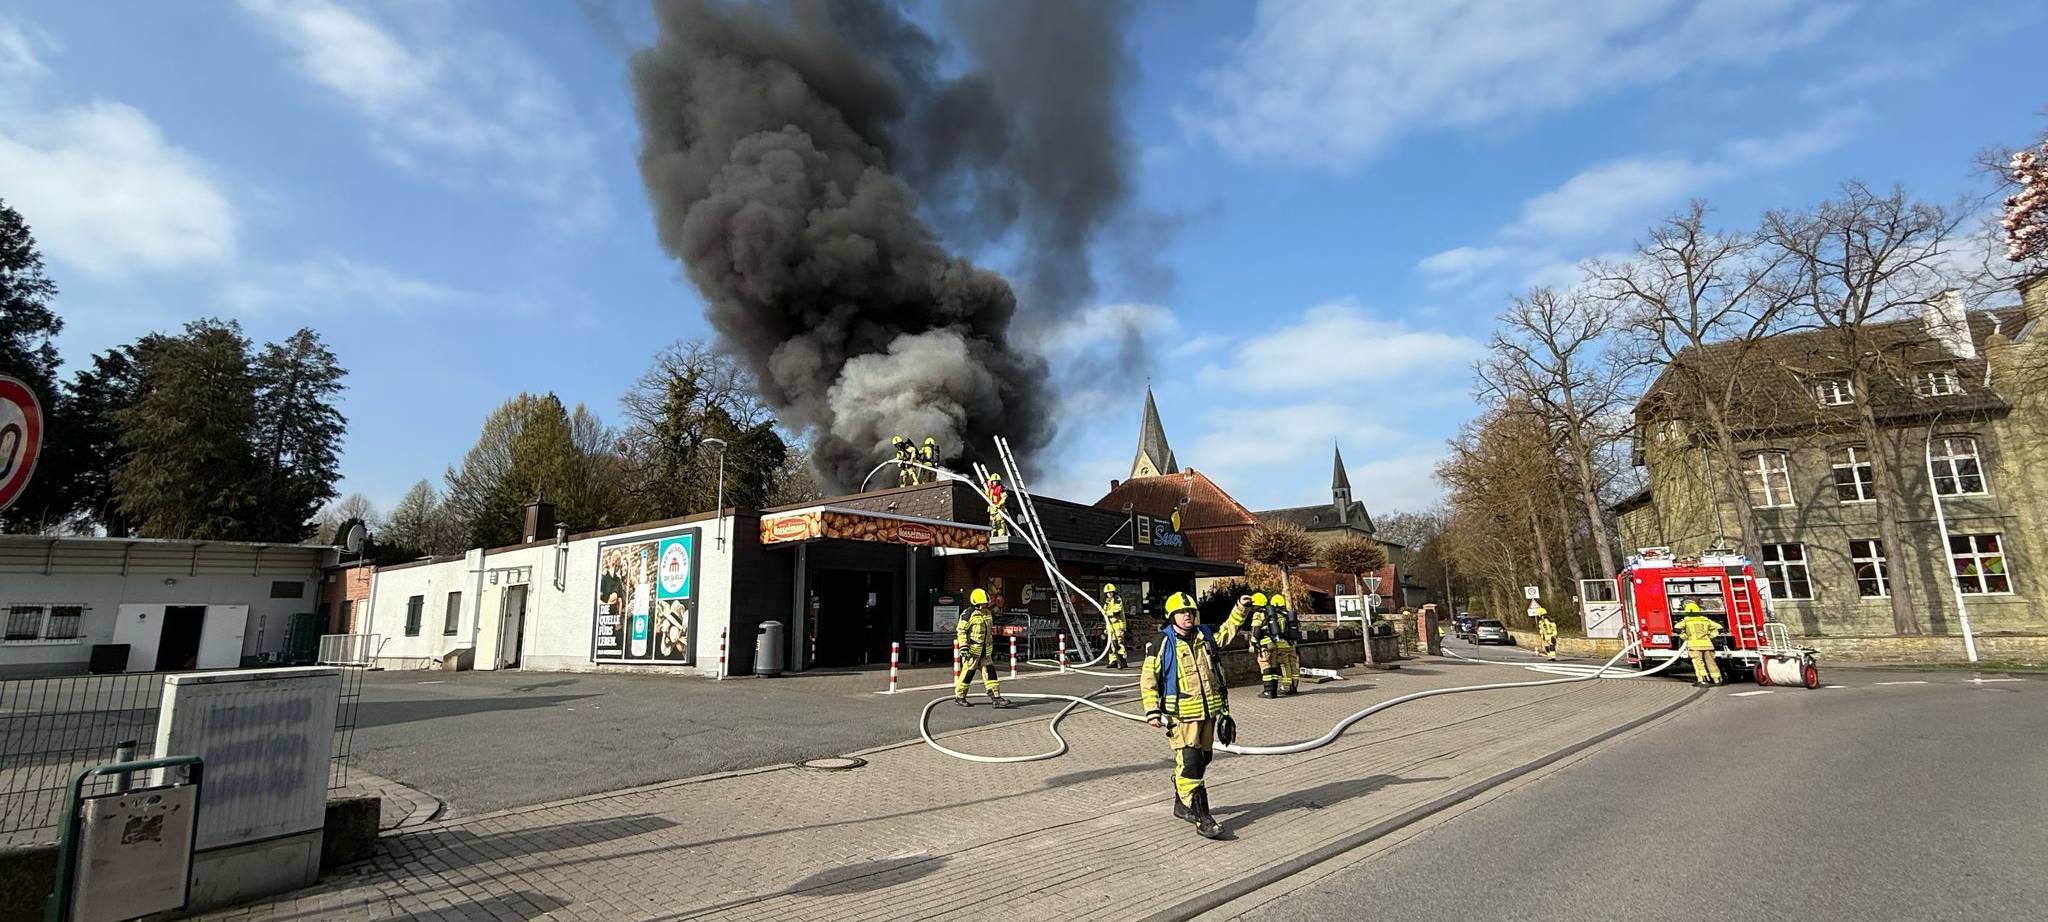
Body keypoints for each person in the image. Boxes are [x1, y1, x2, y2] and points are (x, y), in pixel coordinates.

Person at [1142, 591, 1243, 839]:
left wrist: (1240, 609)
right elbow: (1148, 679)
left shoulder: (1205, 636)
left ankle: (1180, 804)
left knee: (1204, 759)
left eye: (1190, 612)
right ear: (1172, 616)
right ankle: (1203, 817)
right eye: (1181, 612)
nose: (1187, 615)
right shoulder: (1162, 643)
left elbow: (1226, 633)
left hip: (1208, 712)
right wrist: (1152, 710)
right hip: (1182, 717)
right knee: (1192, 765)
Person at [954, 589, 1011, 707]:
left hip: (985, 651)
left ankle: (996, 698)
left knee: (990, 673)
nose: (984, 605)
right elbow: (961, 631)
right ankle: (960, 696)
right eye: (982, 603)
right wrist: (963, 646)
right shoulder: (968, 614)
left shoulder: (987, 613)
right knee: (968, 674)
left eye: (985, 603)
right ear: (975, 602)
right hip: (973, 651)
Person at [1250, 593, 1302, 697]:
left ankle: (1273, 690)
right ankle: (1293, 687)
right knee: (1292, 666)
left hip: (1274, 645)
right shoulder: (1287, 614)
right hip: (1290, 644)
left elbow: (1256, 631)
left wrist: (1253, 643)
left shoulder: (1261, 615)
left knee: (1275, 666)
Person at [1674, 601, 1724, 687]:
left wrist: (1684, 636)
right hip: (1707, 644)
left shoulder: (1686, 621)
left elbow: (1677, 628)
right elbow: (1719, 627)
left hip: (1695, 645)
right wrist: (1711, 635)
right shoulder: (1705, 620)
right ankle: (1717, 679)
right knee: (1711, 662)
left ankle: (1703, 680)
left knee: (1698, 663)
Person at [1102, 583, 1129, 669]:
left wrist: (1106, 613)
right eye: (1107, 593)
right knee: (1111, 644)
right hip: (1110, 625)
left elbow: (1116, 611)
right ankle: (1113, 661)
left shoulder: (1117, 599)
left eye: (1111, 592)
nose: (1109, 594)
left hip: (1118, 624)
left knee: (1119, 643)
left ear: (1113, 592)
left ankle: (1122, 661)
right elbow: (1103, 611)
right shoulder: (1107, 601)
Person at [985, 473, 1008, 539]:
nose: (996, 482)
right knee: (993, 526)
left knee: (1000, 525)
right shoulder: (990, 489)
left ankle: (1001, 539)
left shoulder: (1001, 489)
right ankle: (993, 539)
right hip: (992, 511)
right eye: (994, 481)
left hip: (999, 510)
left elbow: (1004, 498)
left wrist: (998, 505)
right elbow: (987, 496)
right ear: (992, 481)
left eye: (997, 481)